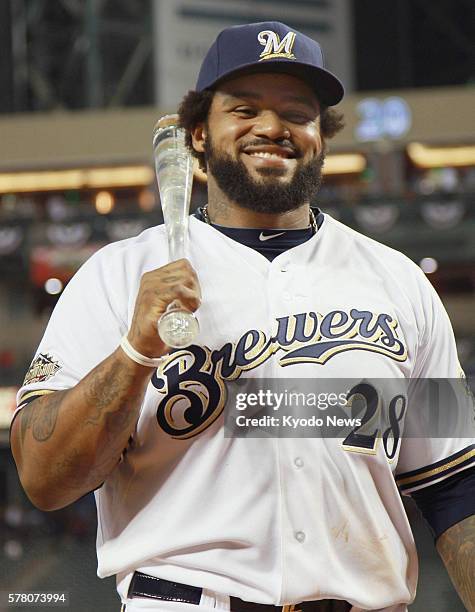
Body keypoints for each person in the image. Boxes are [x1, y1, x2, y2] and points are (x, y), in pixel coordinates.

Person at [11, 21, 475, 612]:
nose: (273, 128)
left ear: (321, 137)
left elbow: (454, 482)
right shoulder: (118, 275)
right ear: (199, 134)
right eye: (245, 108)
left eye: (297, 112)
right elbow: (44, 479)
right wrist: (135, 353)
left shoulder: (400, 281)